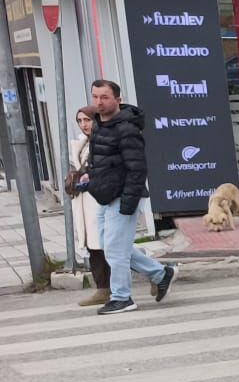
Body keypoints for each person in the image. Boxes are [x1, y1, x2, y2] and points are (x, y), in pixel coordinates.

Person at [83, 80, 175, 315]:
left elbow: (137, 168)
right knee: (111, 246)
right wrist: (88, 179)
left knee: (115, 249)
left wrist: (128, 202)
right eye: (95, 97)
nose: (99, 102)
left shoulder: (127, 128)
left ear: (117, 99)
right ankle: (160, 273)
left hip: (123, 195)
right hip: (105, 195)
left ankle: (122, 297)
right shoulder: (98, 125)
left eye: (104, 97)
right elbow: (100, 162)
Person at [68, 110, 112, 307]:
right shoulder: (81, 143)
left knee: (110, 248)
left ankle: (157, 274)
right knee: (95, 248)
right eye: (79, 121)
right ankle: (102, 289)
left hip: (101, 200)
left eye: (87, 120)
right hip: (85, 201)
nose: (84, 124)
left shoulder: (104, 140)